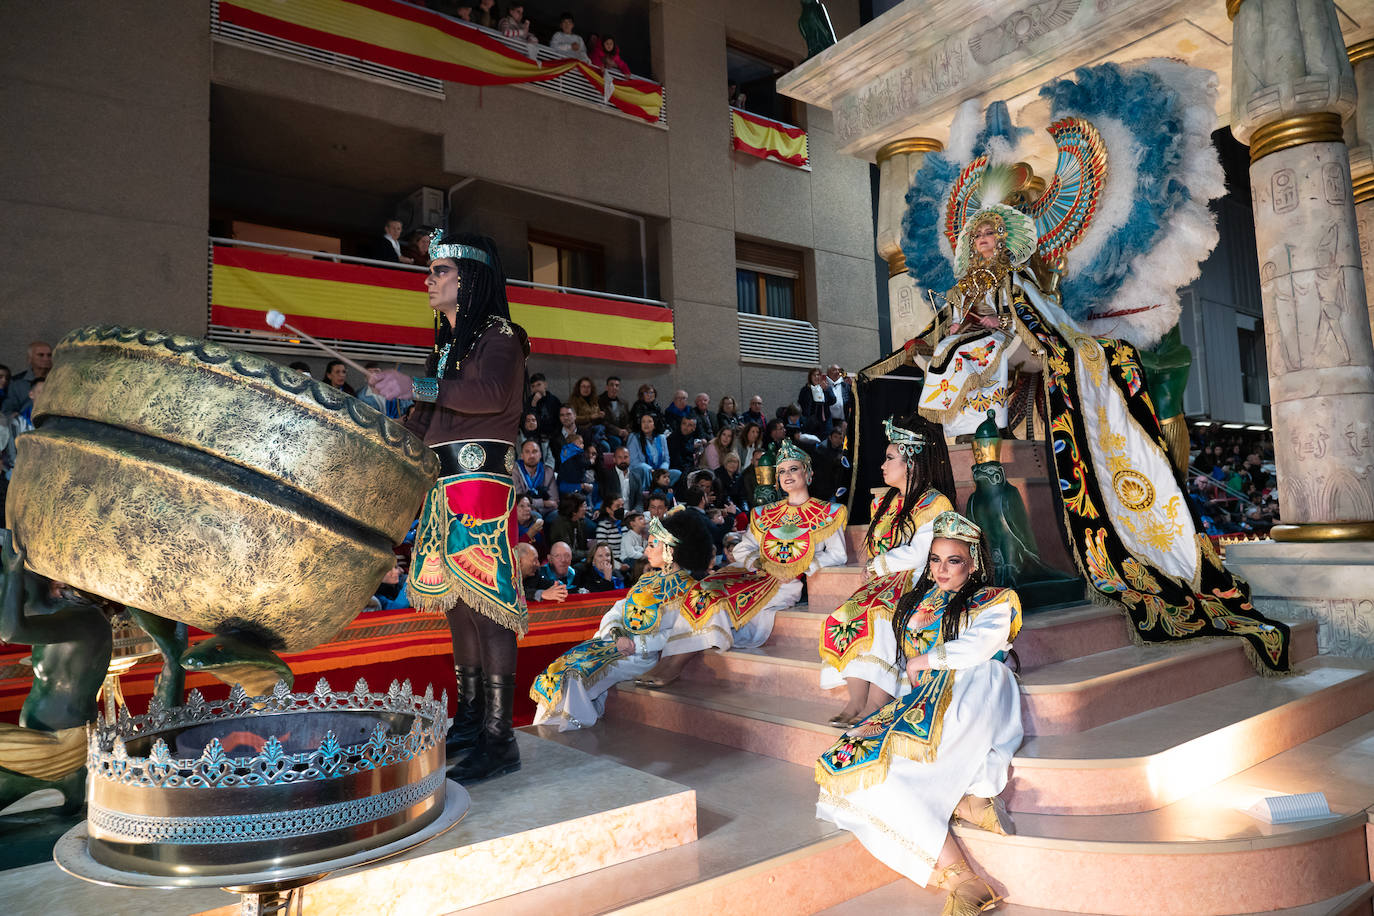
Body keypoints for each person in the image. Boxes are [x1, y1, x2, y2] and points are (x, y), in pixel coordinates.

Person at [909, 190, 1289, 671]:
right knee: (950, 356)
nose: (983, 241)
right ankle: (967, 430)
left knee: (983, 353)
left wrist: (997, 321)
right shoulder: (969, 284)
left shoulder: (1017, 278)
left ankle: (987, 425)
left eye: (990, 234)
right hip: (981, 342)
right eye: (978, 235)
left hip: (1012, 343)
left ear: (1004, 240)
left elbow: (1040, 323)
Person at [366, 231, 529, 784]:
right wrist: (394, 420)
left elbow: (489, 397)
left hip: (481, 481)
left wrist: (418, 385)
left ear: (470, 278)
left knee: (487, 605)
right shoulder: (447, 346)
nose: (428, 279)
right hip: (443, 484)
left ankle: (500, 738)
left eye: (439, 270)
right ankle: (471, 720)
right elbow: (431, 414)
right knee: (458, 604)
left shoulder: (503, 336)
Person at [815, 511, 1021, 914]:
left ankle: (963, 868)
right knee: (847, 768)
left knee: (896, 773)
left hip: (976, 691)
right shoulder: (916, 604)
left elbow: (980, 646)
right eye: (935, 560)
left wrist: (930, 658)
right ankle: (964, 846)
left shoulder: (995, 600)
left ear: (974, 563)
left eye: (954, 560)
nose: (941, 570)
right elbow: (904, 666)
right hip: (923, 697)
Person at [641, 439, 848, 687]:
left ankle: (677, 663)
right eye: (781, 471)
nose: (787, 475)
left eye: (793, 468)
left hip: (782, 584)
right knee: (702, 590)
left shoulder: (827, 512)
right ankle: (669, 660)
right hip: (749, 573)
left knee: (716, 599)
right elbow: (744, 547)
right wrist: (757, 562)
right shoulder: (766, 513)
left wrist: (801, 565)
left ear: (808, 472)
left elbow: (838, 555)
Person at [819, 415, 954, 726]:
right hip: (885, 581)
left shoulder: (936, 503)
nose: (883, 465)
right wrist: (876, 567)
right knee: (844, 614)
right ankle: (855, 702)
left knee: (881, 615)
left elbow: (923, 552)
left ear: (910, 463)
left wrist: (878, 565)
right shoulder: (889, 502)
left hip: (920, 580)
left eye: (890, 458)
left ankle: (876, 706)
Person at [531, 509, 712, 731]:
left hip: (639, 655)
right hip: (615, 644)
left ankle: (567, 727)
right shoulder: (646, 580)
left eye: (652, 545)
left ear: (670, 551)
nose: (646, 550)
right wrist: (617, 634)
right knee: (560, 665)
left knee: (576, 674)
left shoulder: (687, 590)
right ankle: (547, 726)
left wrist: (637, 644)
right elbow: (617, 611)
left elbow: (680, 633)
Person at [628, 412, 678, 507]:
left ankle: (669, 500)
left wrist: (661, 471)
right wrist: (651, 470)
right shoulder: (634, 437)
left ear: (655, 424)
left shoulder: (662, 437)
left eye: (649, 421)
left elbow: (666, 459)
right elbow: (634, 461)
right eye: (643, 422)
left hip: (659, 472)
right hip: (643, 472)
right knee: (644, 469)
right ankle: (649, 497)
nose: (646, 424)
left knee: (677, 473)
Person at [2, 342, 51, 417]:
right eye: (41, 355)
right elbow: (7, 410)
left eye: (49, 355)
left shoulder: (60, 380)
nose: (46, 358)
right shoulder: (16, 383)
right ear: (29, 359)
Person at [514, 438, 558, 517]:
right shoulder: (515, 471)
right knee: (536, 516)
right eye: (527, 452)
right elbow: (519, 501)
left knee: (557, 515)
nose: (531, 455)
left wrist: (539, 507)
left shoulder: (548, 471)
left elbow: (554, 501)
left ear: (540, 454)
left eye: (535, 451)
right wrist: (543, 503)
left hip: (547, 511)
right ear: (522, 456)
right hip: (524, 512)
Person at [810, 422, 851, 502]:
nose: (838, 440)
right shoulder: (821, 450)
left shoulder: (843, 451)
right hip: (820, 489)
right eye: (835, 437)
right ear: (830, 437)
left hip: (834, 489)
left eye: (840, 438)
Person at [547, 494, 590, 564]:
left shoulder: (579, 521)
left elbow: (582, 546)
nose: (586, 509)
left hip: (577, 559)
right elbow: (568, 553)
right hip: (563, 562)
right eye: (582, 506)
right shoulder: (560, 525)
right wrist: (589, 553)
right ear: (573, 511)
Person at [568, 376, 606, 448]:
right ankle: (592, 446)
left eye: (588, 387)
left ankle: (594, 444)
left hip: (594, 429)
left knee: (601, 428)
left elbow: (597, 415)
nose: (586, 389)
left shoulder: (595, 400)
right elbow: (573, 418)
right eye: (583, 386)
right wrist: (590, 417)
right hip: (582, 429)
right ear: (579, 388)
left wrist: (600, 415)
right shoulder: (574, 400)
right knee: (604, 445)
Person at [798, 367, 837, 435]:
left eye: (818, 375)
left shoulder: (826, 387)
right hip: (810, 421)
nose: (816, 377)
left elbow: (833, 401)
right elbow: (801, 403)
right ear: (810, 377)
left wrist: (826, 390)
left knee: (825, 442)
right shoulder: (805, 390)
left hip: (825, 420)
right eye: (814, 375)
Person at [598, 376, 632, 448]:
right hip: (608, 433)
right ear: (607, 387)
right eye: (612, 385)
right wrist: (617, 431)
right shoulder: (600, 401)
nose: (614, 387)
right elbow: (601, 421)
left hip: (622, 432)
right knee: (617, 441)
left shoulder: (624, 403)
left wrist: (627, 432)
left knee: (634, 437)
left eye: (617, 385)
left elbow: (628, 421)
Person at [526, 372, 561, 436]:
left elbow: (559, 420)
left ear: (545, 385)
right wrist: (534, 404)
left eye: (539, 385)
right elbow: (528, 422)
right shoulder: (529, 401)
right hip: (535, 435)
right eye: (533, 386)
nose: (536, 388)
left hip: (553, 435)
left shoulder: (554, 400)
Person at [514, 493, 548, 558]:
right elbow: (513, 551)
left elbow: (544, 553)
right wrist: (529, 535)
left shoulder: (536, 525)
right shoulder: (509, 528)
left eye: (529, 505)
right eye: (522, 506)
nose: (527, 509)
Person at [826, 364, 853, 432]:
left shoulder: (845, 386)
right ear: (828, 372)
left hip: (842, 421)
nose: (837, 372)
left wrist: (853, 385)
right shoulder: (825, 384)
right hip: (828, 421)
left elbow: (853, 400)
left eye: (839, 370)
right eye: (834, 370)